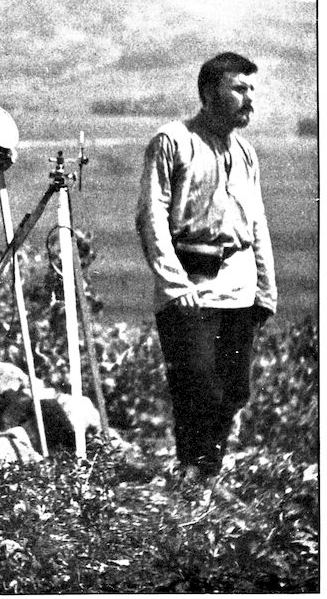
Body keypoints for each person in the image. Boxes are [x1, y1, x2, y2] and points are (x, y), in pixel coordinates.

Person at [135, 52, 277, 497]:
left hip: (239, 286)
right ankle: (193, 474)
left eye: (251, 90)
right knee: (197, 383)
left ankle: (207, 474)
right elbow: (151, 216)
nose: (249, 99)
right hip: (190, 283)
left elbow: (257, 223)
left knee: (234, 391)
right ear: (208, 93)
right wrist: (174, 283)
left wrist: (266, 288)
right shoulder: (173, 141)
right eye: (239, 89)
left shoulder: (245, 152)